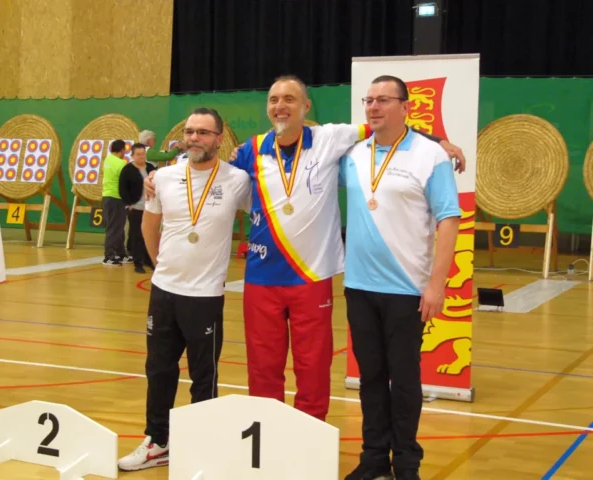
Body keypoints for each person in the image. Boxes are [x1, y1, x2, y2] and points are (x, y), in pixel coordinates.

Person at [143, 75, 466, 422]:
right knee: (263, 368)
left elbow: (386, 126)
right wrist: (157, 178)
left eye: (289, 99)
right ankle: (268, 434)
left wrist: (438, 141)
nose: (280, 106)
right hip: (262, 279)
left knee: (313, 366)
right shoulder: (250, 150)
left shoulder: (331, 138)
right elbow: (207, 174)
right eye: (273, 100)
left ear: (306, 106)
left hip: (311, 275)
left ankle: (310, 437)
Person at [339, 75, 461, 480]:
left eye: (383, 100)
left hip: (407, 290)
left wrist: (436, 284)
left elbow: (448, 219)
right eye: (369, 100)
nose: (373, 107)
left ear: (405, 107)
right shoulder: (353, 154)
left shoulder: (431, 156)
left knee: (405, 380)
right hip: (359, 288)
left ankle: (406, 463)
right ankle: (374, 457)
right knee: (370, 378)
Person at [117, 108, 251, 472]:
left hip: (205, 296)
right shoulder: (162, 177)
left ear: (219, 139)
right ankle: (157, 441)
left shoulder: (238, 180)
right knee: (158, 368)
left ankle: (201, 445)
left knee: (204, 375)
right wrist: (160, 265)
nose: (194, 138)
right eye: (190, 131)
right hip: (164, 292)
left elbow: (265, 213)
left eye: (203, 132)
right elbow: (149, 225)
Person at [118, 143, 156, 274]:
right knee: (137, 235)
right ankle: (138, 263)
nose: (141, 157)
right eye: (138, 154)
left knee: (149, 235)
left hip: (150, 208)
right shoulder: (127, 170)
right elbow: (122, 189)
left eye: (143, 154)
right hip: (135, 208)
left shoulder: (151, 167)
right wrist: (129, 204)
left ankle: (150, 260)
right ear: (133, 156)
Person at [102, 139, 132, 266]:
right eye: (124, 150)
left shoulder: (107, 160)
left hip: (107, 197)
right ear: (122, 150)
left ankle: (120, 254)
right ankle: (108, 257)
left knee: (118, 227)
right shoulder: (121, 163)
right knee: (114, 228)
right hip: (117, 198)